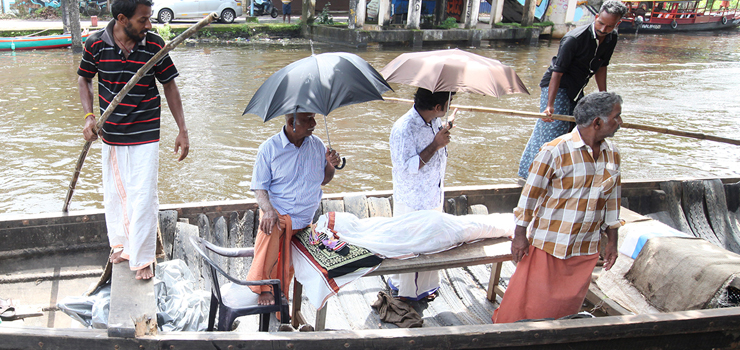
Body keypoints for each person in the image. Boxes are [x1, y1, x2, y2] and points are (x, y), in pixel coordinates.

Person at [77, 0, 189, 280]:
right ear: (122, 18)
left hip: (146, 131)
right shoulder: (95, 44)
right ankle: (122, 245)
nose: (149, 25)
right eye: (143, 20)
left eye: (149, 19)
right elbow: (84, 79)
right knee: (116, 192)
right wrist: (90, 117)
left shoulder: (153, 44)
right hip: (112, 133)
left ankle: (142, 258)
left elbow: (170, 85)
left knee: (143, 194)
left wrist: (182, 130)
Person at [493, 92, 623, 323]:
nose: (620, 123)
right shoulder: (555, 151)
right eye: (616, 117)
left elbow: (612, 201)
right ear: (597, 122)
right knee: (531, 305)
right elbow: (529, 198)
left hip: (585, 245)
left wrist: (612, 240)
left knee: (567, 308)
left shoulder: (612, 154)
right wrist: (520, 236)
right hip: (551, 243)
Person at [517, 0, 627, 179]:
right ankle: (536, 176)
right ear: (596, 17)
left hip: (576, 88)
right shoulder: (574, 38)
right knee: (554, 132)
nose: (603, 29)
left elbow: (601, 67)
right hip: (557, 86)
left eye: (609, 26)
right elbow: (557, 72)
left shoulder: (611, 38)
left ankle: (561, 173)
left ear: (617, 24)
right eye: (601, 23)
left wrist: (605, 100)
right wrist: (549, 105)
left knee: (576, 129)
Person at [247, 112, 341, 305]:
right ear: (292, 123)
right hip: (279, 215)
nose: (314, 123)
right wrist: (268, 209)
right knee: (270, 224)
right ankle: (264, 287)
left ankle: (284, 292)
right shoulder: (269, 149)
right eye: (308, 119)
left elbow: (324, 179)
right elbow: (259, 187)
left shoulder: (318, 146)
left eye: (314, 117)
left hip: (305, 220)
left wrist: (331, 165)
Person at [387, 87, 458, 301]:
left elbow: (436, 137)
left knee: (431, 242)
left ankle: (426, 287)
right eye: (447, 103)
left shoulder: (433, 120)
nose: (449, 107)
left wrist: (446, 127)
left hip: (432, 191)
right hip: (413, 199)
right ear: (437, 107)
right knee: (411, 246)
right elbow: (407, 167)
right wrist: (436, 144)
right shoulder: (404, 129)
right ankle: (405, 291)